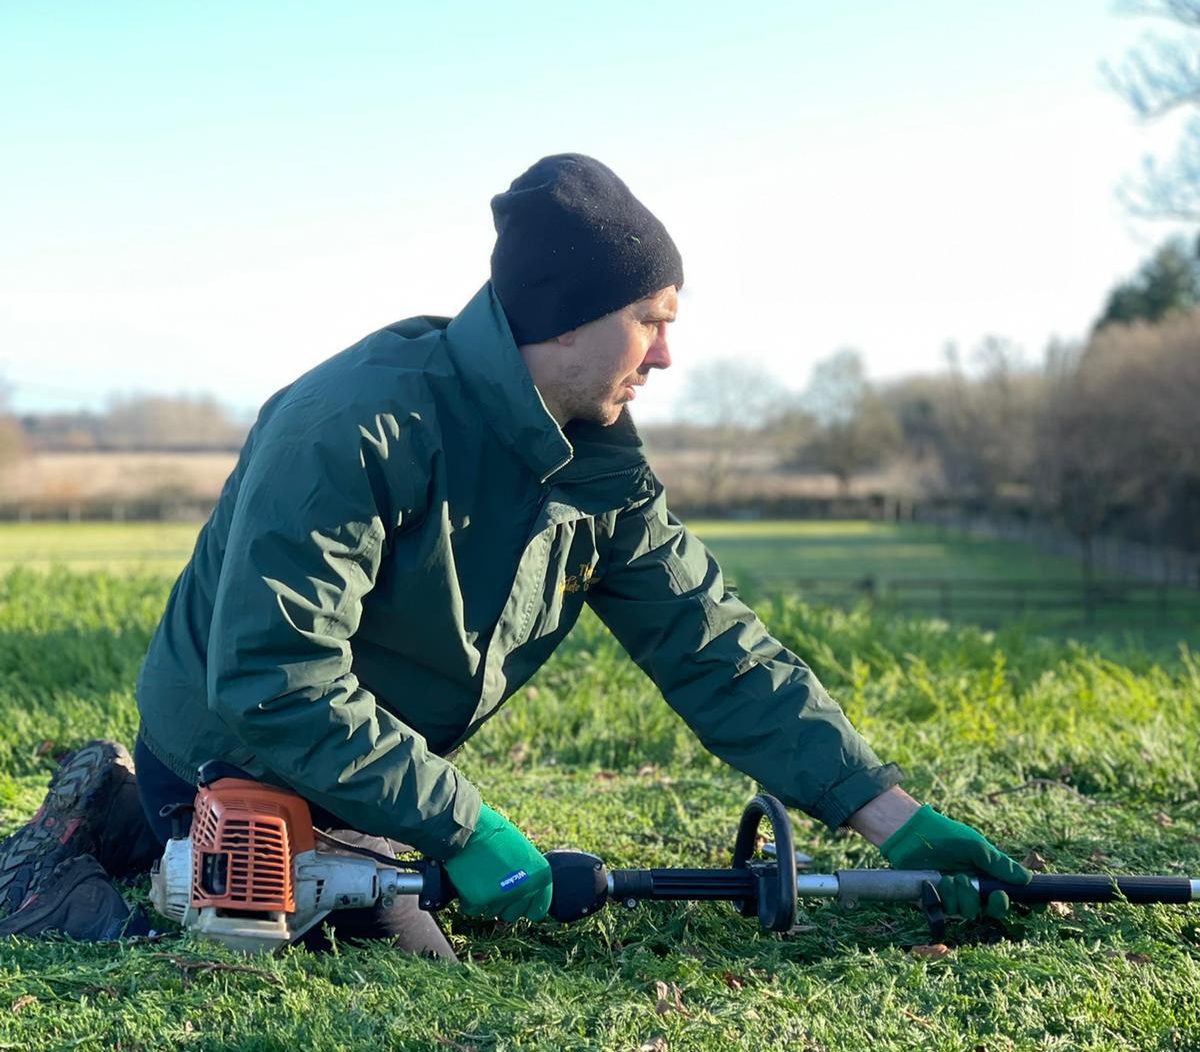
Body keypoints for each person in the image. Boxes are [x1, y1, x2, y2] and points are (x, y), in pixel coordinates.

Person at [0, 154, 1030, 948]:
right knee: (396, 963)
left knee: (408, 922)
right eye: (649, 321)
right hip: (243, 746)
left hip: (359, 772)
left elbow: (711, 644)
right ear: (568, 319)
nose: (668, 354)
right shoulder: (351, 429)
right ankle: (88, 865)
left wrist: (886, 812)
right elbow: (274, 677)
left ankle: (118, 809)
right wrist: (461, 824)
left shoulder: (596, 469)